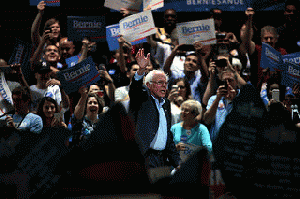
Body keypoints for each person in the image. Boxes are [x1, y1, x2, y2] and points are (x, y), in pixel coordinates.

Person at [129, 48, 180, 171]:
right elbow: (135, 89)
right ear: (148, 85)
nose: (164, 86)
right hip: (144, 158)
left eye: (166, 83)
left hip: (162, 160)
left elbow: (167, 136)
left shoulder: (166, 104)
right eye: (160, 82)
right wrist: (141, 70)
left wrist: (177, 163)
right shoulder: (143, 99)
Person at [241, 7, 287, 90]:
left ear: (276, 39)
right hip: (259, 90)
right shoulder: (258, 49)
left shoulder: (282, 52)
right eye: (266, 38)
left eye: (271, 38)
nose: (269, 41)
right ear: (261, 39)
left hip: (278, 89)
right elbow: (246, 42)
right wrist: (249, 19)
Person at [203, 63, 241, 143]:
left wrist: (235, 101)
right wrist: (217, 99)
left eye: (230, 80)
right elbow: (207, 120)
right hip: (217, 146)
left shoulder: (244, 98)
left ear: (237, 82)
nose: (227, 84)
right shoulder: (214, 99)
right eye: (224, 81)